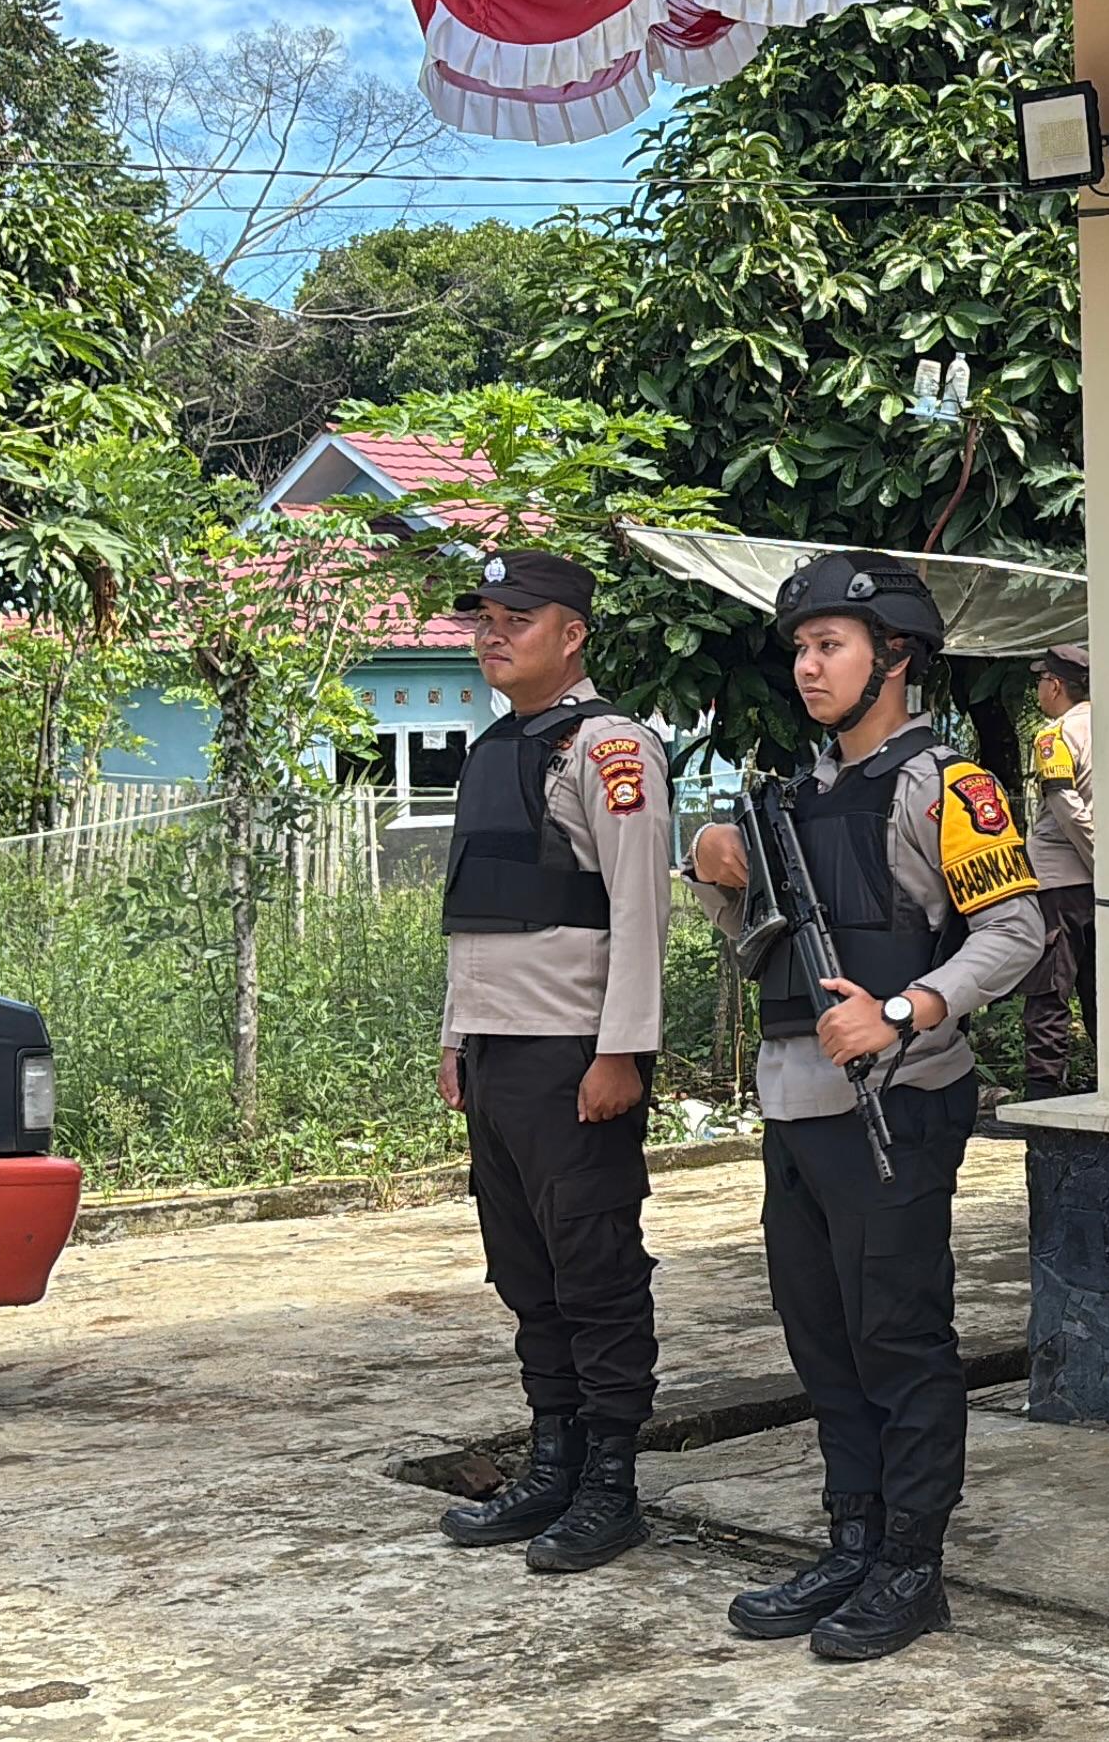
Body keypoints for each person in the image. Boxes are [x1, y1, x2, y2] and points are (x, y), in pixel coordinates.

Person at [687, 552, 1044, 1663]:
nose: (807, 665)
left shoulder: (952, 784)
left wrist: (903, 1007)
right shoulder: (793, 795)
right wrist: (717, 872)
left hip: (899, 1104)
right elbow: (757, 950)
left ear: (894, 656)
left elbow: (1018, 933)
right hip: (795, 1109)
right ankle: (853, 1533)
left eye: (829, 644)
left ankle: (911, 1563)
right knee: (823, 1338)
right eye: (799, 647)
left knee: (899, 1338)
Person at [430, 547, 671, 1575]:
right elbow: (472, 915)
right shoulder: (491, 749)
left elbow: (640, 909)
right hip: (497, 1057)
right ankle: (554, 1459)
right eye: (483, 618)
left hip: (576, 1056)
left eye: (514, 619)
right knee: (527, 1270)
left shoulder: (609, 748)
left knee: (596, 1271)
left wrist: (621, 1050)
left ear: (571, 633)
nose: (492, 634)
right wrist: (455, 1038)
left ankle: (611, 1481)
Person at [1018, 642, 1096, 1096]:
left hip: (1059, 881)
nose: (1038, 690)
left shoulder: (1054, 734)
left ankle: (1045, 1089)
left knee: (1049, 987)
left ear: (1055, 685)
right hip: (1108, 886)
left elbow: (1064, 806)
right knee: (1102, 987)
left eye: (1040, 681)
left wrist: (1096, 858)